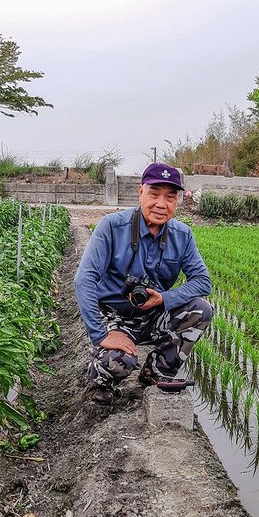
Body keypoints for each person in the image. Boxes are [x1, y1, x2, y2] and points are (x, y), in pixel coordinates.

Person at [74, 163, 213, 404]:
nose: (162, 204)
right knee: (118, 362)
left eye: (170, 197)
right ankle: (101, 385)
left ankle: (154, 375)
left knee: (201, 310)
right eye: (154, 194)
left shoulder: (182, 235)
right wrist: (100, 336)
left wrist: (164, 299)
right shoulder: (112, 226)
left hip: (153, 315)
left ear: (177, 200)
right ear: (140, 192)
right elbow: (84, 279)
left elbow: (203, 281)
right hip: (114, 315)